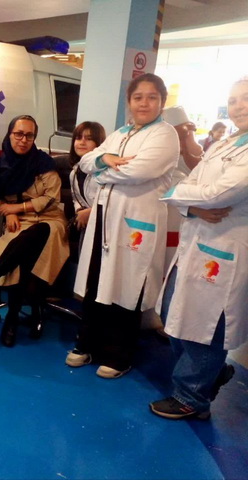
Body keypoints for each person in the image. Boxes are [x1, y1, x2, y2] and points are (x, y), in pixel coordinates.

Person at [66, 73, 180, 379]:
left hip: (135, 223)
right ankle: (87, 344)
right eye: (138, 97)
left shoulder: (165, 135)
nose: (144, 103)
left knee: (127, 286)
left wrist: (102, 171)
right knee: (96, 282)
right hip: (104, 219)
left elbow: (139, 171)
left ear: (162, 102)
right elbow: (85, 161)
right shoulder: (120, 133)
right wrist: (106, 158)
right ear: (129, 101)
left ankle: (119, 356)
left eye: (152, 97)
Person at [149, 77, 248, 420]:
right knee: (173, 313)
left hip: (225, 248)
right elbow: (187, 185)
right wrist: (191, 205)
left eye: (246, 98)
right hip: (195, 241)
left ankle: (192, 397)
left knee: (206, 326)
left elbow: (221, 193)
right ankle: (210, 376)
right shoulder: (226, 143)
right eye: (233, 100)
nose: (239, 106)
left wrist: (184, 197)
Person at [0, 115, 69, 347]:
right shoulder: (2, 164)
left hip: (50, 220)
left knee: (37, 239)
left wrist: (16, 207)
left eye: (29, 135)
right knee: (17, 246)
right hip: (20, 222)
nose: (23, 140)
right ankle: (13, 316)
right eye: (18, 134)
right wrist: (8, 213)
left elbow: (51, 197)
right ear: (10, 134)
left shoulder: (43, 163)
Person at [68, 122, 106, 232]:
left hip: (106, 224)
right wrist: (79, 211)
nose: (82, 142)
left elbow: (112, 202)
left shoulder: (105, 171)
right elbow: (76, 199)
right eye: (78, 138)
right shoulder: (74, 172)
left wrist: (90, 213)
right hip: (88, 224)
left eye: (89, 139)